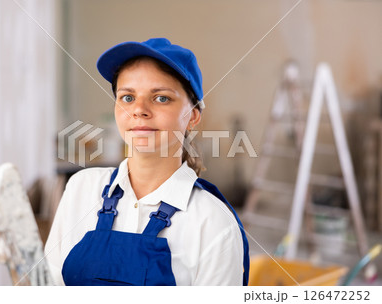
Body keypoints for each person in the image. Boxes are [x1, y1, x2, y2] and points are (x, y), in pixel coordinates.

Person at [44, 38, 249, 286]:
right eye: (128, 97)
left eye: (161, 98)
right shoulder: (81, 189)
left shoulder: (212, 222)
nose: (139, 110)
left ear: (193, 116)